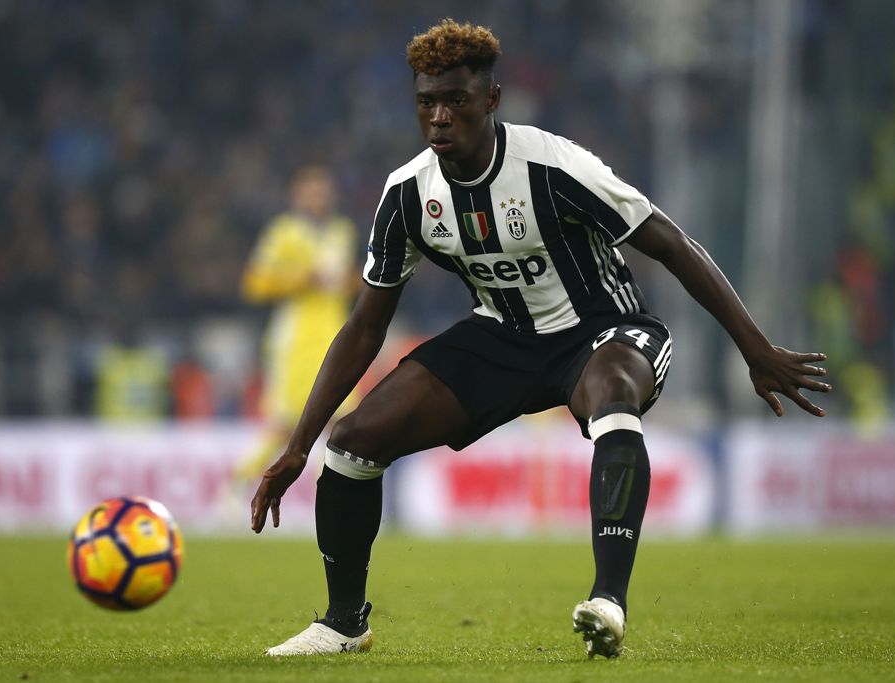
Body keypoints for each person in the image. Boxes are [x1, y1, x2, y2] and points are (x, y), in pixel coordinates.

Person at [252, 19, 831, 659]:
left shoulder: (555, 166)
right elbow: (366, 324)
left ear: (491, 100)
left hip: (603, 331)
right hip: (502, 338)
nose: (439, 117)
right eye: (426, 103)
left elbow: (670, 243)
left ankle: (608, 602)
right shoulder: (409, 194)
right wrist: (298, 445)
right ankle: (343, 625)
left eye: (456, 101)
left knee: (613, 391)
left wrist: (755, 349)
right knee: (353, 440)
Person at [235, 165, 357, 482]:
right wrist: (301, 278)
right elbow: (254, 284)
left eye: (323, 191)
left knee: (341, 421)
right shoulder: (283, 233)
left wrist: (352, 281)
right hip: (295, 339)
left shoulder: (342, 231)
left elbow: (345, 283)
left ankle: (327, 492)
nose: (318, 198)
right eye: (311, 192)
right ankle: (238, 483)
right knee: (286, 424)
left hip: (335, 333)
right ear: (297, 195)